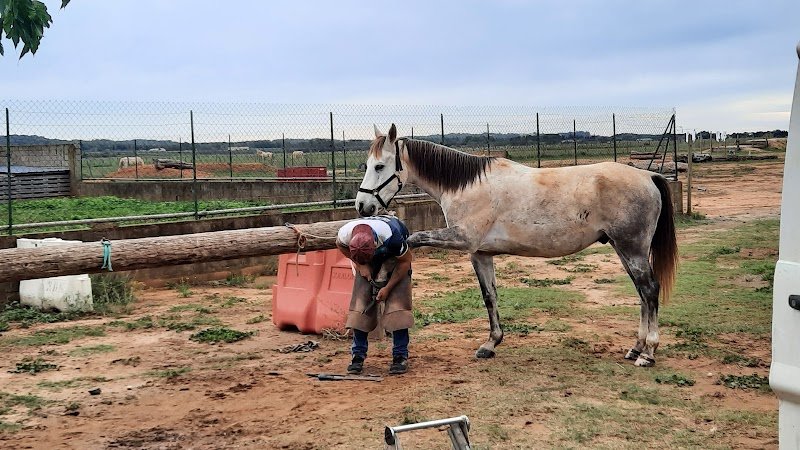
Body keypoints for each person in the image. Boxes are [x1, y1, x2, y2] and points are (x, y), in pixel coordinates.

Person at [336, 215, 413, 375]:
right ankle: (357, 355)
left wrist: (388, 288)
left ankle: (400, 356)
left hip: (395, 258)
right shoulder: (345, 233)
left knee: (397, 307)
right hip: (365, 259)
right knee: (360, 305)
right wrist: (361, 266)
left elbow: (405, 261)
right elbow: (340, 245)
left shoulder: (392, 236)